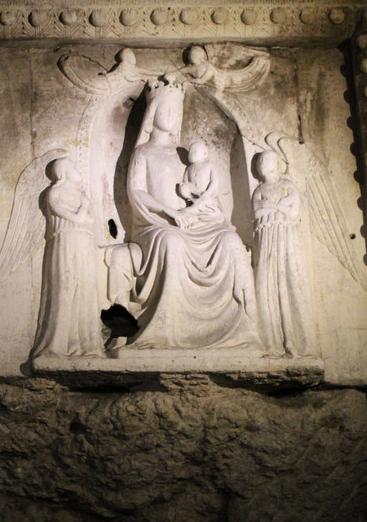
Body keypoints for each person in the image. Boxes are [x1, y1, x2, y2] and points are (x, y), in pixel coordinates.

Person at [123, 81, 259, 350]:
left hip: (192, 223)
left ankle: (241, 327)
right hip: (156, 224)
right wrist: (169, 212)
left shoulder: (184, 156)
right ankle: (166, 329)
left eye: (177, 108)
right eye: (167, 108)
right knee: (172, 241)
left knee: (230, 242)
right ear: (153, 113)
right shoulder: (143, 153)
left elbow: (197, 190)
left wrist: (194, 210)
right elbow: (137, 193)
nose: (172, 114)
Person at [30, 156, 103, 359]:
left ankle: (88, 347)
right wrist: (84, 207)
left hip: (85, 243)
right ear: (63, 171)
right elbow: (81, 218)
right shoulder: (54, 193)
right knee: (65, 287)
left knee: (86, 291)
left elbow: (89, 221)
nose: (76, 168)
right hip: (66, 242)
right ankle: (55, 346)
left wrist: (84, 211)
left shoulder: (80, 195)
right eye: (72, 165)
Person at [251, 150, 316, 356]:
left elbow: (294, 211)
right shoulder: (259, 190)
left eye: (267, 160)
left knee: (289, 281)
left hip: (286, 238)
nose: (263, 164)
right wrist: (278, 206)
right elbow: (257, 213)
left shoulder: (287, 186)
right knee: (266, 286)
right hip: (266, 238)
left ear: (276, 163)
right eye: (260, 161)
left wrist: (272, 206)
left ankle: (296, 341)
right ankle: (272, 343)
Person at [176, 141, 224, 229]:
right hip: (194, 198)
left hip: (208, 199)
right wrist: (185, 191)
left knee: (210, 208)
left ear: (205, 153)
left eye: (194, 151)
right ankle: (194, 215)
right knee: (188, 210)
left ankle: (198, 213)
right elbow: (186, 183)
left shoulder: (209, 165)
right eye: (190, 151)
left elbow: (214, 181)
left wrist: (207, 193)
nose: (191, 153)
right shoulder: (189, 169)